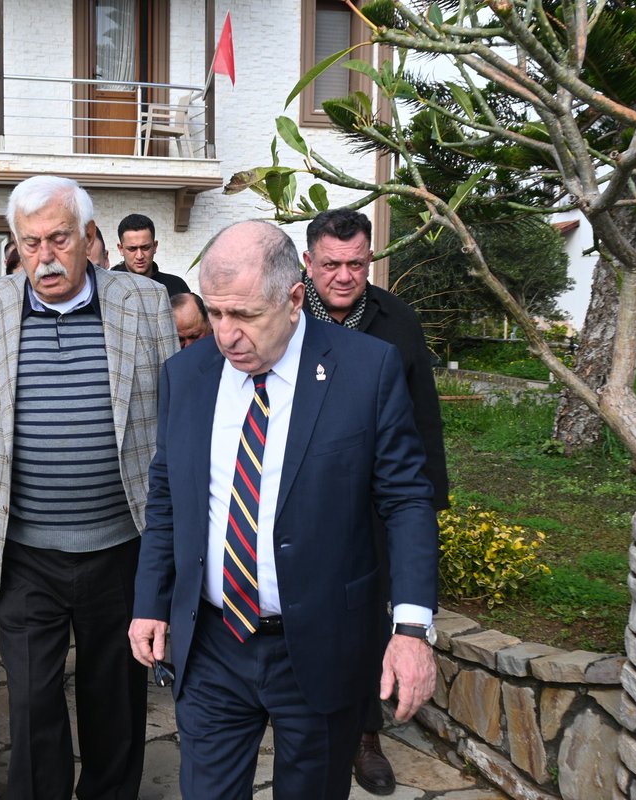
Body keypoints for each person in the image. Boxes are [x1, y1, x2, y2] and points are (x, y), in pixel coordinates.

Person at [128, 219, 438, 800]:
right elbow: (167, 495)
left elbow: (407, 500)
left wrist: (413, 628)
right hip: (215, 644)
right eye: (215, 313)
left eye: (244, 316)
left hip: (321, 643)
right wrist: (150, 602)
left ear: (295, 298)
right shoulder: (187, 375)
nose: (225, 335)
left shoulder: (366, 370)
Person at [0, 175, 178, 800]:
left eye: (59, 239)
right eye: (30, 242)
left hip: (122, 547)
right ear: (16, 243)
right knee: (33, 706)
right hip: (23, 554)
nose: (45, 257)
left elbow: (178, 414)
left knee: (114, 704)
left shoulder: (143, 304)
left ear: (89, 237)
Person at [302, 208, 450, 796]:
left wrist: (428, 502)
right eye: (331, 264)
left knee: (369, 620)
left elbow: (424, 416)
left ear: (370, 261)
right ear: (308, 263)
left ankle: (365, 735)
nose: (344, 275)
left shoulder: (398, 320)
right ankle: (302, 716)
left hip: (379, 501)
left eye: (356, 264)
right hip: (306, 499)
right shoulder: (286, 319)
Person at [112, 213, 189, 296]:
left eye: (145, 247)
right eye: (132, 249)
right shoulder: (108, 288)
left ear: (155, 246)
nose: (139, 256)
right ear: (121, 249)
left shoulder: (177, 287)